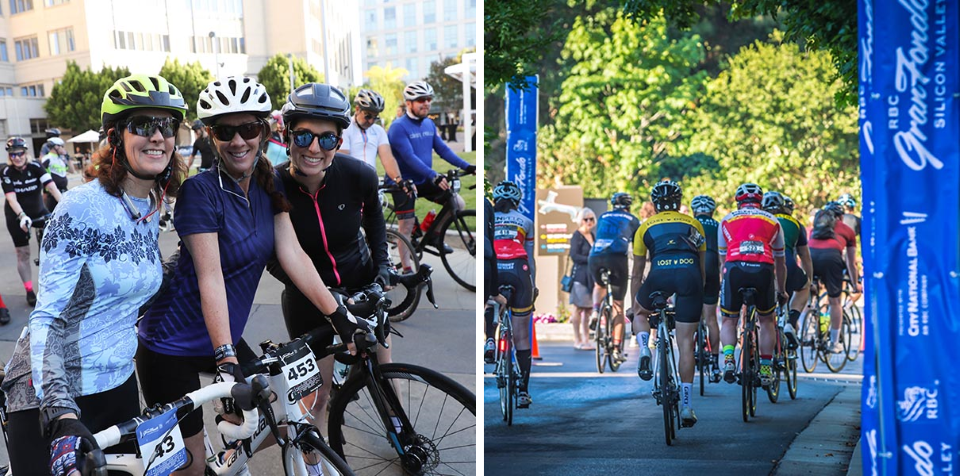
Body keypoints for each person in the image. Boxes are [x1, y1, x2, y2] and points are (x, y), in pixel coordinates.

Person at [136, 76, 364, 476]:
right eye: (226, 131)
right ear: (211, 136)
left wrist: (338, 315)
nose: (238, 141)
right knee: (189, 467)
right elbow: (211, 278)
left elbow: (292, 253)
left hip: (220, 332)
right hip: (170, 343)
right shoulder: (199, 192)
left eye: (248, 129)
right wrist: (226, 357)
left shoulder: (268, 182)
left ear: (265, 130)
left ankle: (231, 453)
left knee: (282, 408)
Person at [0, 73, 189, 476]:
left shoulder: (150, 205)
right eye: (142, 125)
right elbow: (48, 316)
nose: (157, 136)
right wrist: (62, 413)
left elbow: (137, 281)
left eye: (166, 126)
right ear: (116, 136)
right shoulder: (80, 206)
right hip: (53, 395)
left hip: (118, 384)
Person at [270, 82, 397, 441]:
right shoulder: (272, 187)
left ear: (339, 142)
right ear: (286, 135)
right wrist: (324, 296)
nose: (314, 148)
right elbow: (275, 259)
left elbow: (374, 219)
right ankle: (313, 461)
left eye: (327, 139)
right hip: (308, 299)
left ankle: (402, 435)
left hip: (360, 286)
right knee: (318, 397)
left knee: (385, 376)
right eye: (303, 136)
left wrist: (383, 267)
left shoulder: (358, 175)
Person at [630, 180, 705, 427]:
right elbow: (701, 267)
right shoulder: (694, 224)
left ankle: (643, 348)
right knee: (685, 343)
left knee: (641, 313)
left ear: (655, 205)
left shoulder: (644, 227)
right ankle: (686, 405)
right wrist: (697, 294)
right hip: (690, 276)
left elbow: (638, 271)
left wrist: (634, 306)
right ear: (679, 202)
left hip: (659, 275)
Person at [388, 80, 475, 255]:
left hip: (424, 179)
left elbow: (443, 149)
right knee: (406, 226)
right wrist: (434, 175)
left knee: (457, 203)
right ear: (409, 103)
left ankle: (434, 236)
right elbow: (409, 157)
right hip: (403, 183)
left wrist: (468, 166)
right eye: (421, 100)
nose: (426, 103)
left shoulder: (429, 124)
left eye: (428, 99)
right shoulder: (398, 127)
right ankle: (407, 272)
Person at [718, 183, 788, 389]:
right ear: (761, 201)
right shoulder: (773, 220)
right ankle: (766, 367)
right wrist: (781, 289)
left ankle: (729, 359)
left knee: (729, 320)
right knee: (767, 321)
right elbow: (781, 261)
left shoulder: (727, 219)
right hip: (763, 269)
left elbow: (723, 259)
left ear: (738, 201)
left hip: (735, 269)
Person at [491, 180, 536, 407]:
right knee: (521, 336)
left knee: (489, 303)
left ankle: (490, 340)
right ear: (517, 201)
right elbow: (531, 257)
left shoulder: (488, 218)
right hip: (520, 270)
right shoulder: (526, 221)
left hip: (495, 269)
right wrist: (533, 286)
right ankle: (523, 392)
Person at [2, 136, 62, 307]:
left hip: (39, 211)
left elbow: (52, 188)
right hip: (17, 215)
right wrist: (22, 216)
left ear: (25, 152)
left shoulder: (36, 166)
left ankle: (55, 285)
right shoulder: (7, 172)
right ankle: (29, 290)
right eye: (13, 155)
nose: (17, 157)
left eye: (20, 153)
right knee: (23, 253)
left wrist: (65, 207)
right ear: (9, 156)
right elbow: (12, 199)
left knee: (55, 245)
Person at [587, 192, 640, 363]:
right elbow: (637, 245)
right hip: (617, 257)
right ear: (628, 206)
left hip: (595, 256)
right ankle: (617, 348)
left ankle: (595, 310)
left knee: (599, 285)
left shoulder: (603, 216)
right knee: (618, 304)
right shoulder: (632, 218)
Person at [762, 191, 813, 349]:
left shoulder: (758, 219)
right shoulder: (796, 223)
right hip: (787, 264)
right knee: (803, 287)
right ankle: (790, 322)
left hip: (761, 264)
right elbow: (805, 256)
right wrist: (809, 281)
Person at [808, 201, 859, 353]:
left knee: (807, 291)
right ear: (841, 217)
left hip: (811, 257)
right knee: (835, 301)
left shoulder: (815, 229)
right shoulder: (847, 230)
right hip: (832, 258)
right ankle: (834, 343)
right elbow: (851, 263)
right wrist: (855, 283)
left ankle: (806, 323)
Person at [341, 89, 407, 187]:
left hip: (370, 183)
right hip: (348, 183)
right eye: (368, 116)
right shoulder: (345, 128)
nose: (371, 121)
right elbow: (343, 160)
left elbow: (388, 159)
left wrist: (399, 181)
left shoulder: (378, 131)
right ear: (357, 109)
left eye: (375, 117)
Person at [690, 194, 722, 382]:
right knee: (711, 318)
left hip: (694, 267)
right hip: (712, 267)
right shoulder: (718, 225)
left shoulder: (690, 223)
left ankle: (690, 350)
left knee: (691, 315)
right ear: (712, 210)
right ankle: (716, 363)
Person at [568, 207, 597, 350]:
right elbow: (574, 256)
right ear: (581, 220)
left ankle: (586, 339)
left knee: (588, 309)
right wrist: (590, 259)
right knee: (578, 308)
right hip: (580, 276)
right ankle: (577, 339)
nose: (589, 222)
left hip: (591, 276)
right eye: (586, 219)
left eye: (591, 219)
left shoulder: (593, 236)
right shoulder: (577, 235)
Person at [41, 137, 71, 213]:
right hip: (52, 193)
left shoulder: (62, 158)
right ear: (56, 147)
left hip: (64, 190)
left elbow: (71, 170)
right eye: (62, 146)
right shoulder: (47, 158)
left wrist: (68, 158)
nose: (63, 148)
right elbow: (42, 175)